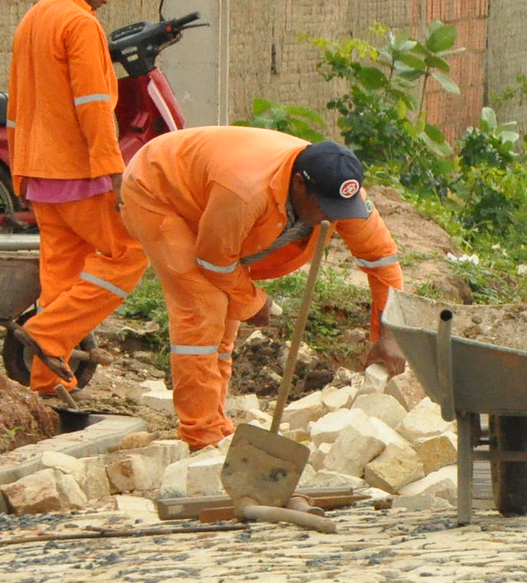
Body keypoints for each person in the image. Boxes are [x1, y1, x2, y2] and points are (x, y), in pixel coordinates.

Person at [122, 128, 407, 450]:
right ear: (300, 183)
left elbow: (382, 259)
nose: (333, 217)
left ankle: (216, 423)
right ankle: (201, 437)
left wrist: (388, 335)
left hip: (212, 194)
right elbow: (215, 261)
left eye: (341, 209)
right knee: (203, 305)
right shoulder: (245, 192)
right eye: (326, 207)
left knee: (226, 312)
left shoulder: (340, 194)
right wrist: (253, 301)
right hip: (157, 188)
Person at [6, 0, 148, 395]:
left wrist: (19, 170)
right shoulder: (79, 23)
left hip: (40, 172)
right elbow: (93, 105)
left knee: (61, 279)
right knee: (130, 252)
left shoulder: (33, 19)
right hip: (78, 172)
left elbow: (18, 103)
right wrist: (115, 170)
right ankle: (48, 334)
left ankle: (45, 383)